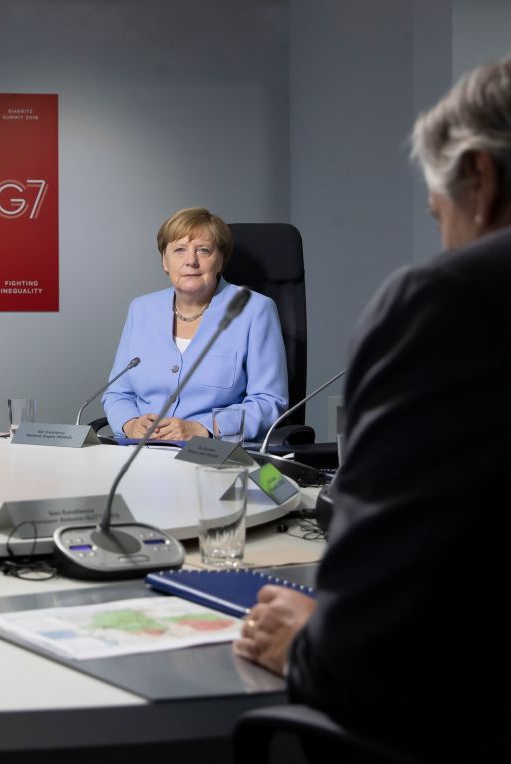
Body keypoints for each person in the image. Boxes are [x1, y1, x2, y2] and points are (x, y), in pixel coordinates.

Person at [233, 55, 511, 757]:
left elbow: (374, 656)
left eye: (440, 215)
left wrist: (308, 641)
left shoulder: (449, 301)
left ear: (479, 178)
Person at [101, 207, 287, 441]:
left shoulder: (255, 310)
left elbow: (269, 402)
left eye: (203, 250)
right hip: (141, 451)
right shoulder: (141, 309)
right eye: (179, 250)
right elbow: (118, 393)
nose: (191, 261)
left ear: (220, 261)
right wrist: (130, 424)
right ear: (164, 262)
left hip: (213, 454)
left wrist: (201, 428)